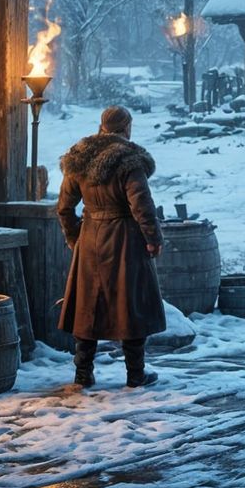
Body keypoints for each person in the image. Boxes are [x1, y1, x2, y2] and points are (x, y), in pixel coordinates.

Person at [56, 106, 166, 388]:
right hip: (125, 239)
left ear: (102, 126)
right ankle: (135, 374)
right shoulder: (129, 159)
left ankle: (83, 374)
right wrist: (153, 239)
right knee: (131, 304)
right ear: (126, 127)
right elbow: (141, 204)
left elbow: (64, 208)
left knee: (87, 306)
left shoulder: (80, 156)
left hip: (90, 238)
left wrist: (74, 238)